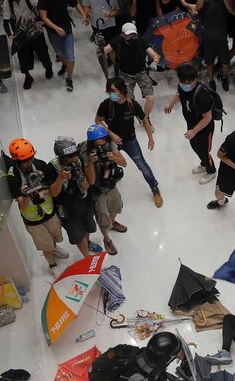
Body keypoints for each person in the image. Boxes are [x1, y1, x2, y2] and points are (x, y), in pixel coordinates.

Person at [5, 138, 69, 277]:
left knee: (54, 235)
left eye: (31, 157)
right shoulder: (12, 176)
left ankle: (54, 248)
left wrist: (48, 187)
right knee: (45, 245)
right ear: (17, 161)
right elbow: (22, 204)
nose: (30, 162)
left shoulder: (40, 165)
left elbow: (52, 190)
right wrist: (26, 194)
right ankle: (52, 265)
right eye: (25, 160)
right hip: (33, 220)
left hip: (49, 211)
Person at [95, 76, 161, 207]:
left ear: (122, 90)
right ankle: (110, 181)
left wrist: (151, 138)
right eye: (109, 91)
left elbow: (145, 120)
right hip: (112, 141)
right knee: (107, 162)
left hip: (130, 140)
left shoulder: (132, 104)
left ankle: (155, 188)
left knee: (142, 165)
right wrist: (110, 133)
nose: (111, 94)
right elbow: (98, 120)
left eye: (114, 91)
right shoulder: (106, 104)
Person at [48, 136, 101, 257]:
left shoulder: (78, 161)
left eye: (75, 154)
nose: (75, 157)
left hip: (82, 199)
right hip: (66, 206)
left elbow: (87, 185)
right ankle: (87, 257)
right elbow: (54, 193)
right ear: (61, 157)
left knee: (88, 226)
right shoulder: (52, 167)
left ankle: (87, 243)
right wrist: (60, 178)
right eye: (70, 156)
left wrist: (80, 177)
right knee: (77, 234)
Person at [164, 64, 216, 184]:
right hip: (191, 124)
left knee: (204, 150)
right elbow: (179, 94)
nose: (184, 85)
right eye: (182, 81)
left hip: (204, 128)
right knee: (195, 146)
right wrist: (171, 104)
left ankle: (211, 170)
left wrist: (194, 131)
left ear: (195, 80)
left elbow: (208, 118)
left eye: (187, 83)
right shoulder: (182, 86)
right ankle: (204, 163)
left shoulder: (202, 95)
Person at [102, 23, 161, 119]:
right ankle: (135, 116)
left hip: (141, 73)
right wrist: (100, 47)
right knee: (129, 101)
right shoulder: (118, 41)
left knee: (150, 98)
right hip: (125, 75)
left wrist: (155, 62)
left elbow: (155, 55)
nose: (132, 38)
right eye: (129, 36)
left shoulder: (140, 41)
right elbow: (103, 51)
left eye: (134, 35)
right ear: (123, 35)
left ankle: (145, 118)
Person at [86, 124, 128, 255]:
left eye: (104, 140)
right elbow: (90, 180)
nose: (102, 144)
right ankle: (107, 238)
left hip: (111, 184)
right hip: (98, 189)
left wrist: (112, 157)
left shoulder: (110, 145)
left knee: (117, 206)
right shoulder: (84, 151)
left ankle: (113, 222)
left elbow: (124, 163)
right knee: (102, 216)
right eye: (99, 143)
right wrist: (91, 162)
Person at [38, 0, 89, 92]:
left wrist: (83, 15)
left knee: (70, 57)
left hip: (67, 30)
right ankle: (65, 66)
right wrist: (56, 28)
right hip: (53, 32)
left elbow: (76, 3)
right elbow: (43, 17)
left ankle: (69, 79)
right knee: (60, 53)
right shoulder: (43, 0)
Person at [2, 0, 54, 90]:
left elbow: (41, 8)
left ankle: (48, 68)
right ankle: (28, 77)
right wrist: (10, 35)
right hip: (20, 33)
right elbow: (5, 22)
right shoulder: (7, 2)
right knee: (23, 58)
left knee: (43, 53)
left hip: (35, 29)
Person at [197, 0, 235, 91]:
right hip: (207, 38)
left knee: (226, 62)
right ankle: (211, 80)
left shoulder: (225, 1)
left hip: (221, 38)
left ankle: (224, 78)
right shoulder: (206, 1)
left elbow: (231, 9)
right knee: (209, 63)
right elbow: (198, 8)